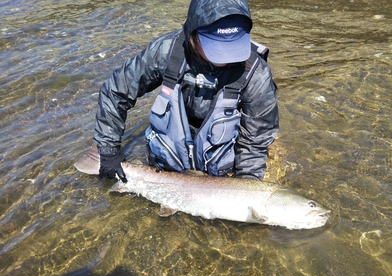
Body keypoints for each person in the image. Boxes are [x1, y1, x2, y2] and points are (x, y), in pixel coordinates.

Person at [95, 0, 279, 183]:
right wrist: (109, 151)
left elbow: (255, 141)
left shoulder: (256, 72)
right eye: (216, 48)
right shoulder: (167, 51)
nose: (225, 59)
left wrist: (246, 183)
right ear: (193, 35)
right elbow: (116, 91)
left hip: (221, 149)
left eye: (233, 47)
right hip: (171, 148)